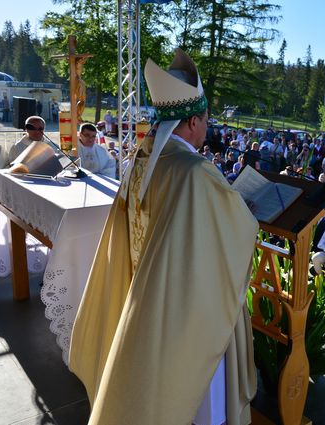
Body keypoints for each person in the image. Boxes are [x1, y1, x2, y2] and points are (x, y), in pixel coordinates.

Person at [69, 49, 259, 425]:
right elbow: (236, 230)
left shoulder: (144, 157)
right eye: (205, 120)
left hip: (147, 290)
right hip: (189, 303)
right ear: (191, 122)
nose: (207, 127)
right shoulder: (194, 171)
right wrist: (246, 211)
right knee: (204, 394)